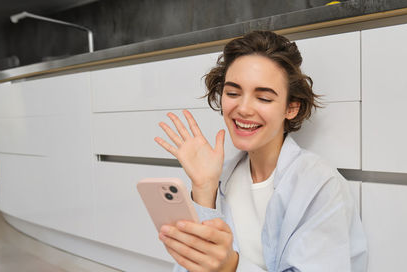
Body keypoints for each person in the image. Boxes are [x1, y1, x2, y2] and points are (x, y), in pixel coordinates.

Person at [154, 30, 368, 272]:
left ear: (291, 108)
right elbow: (191, 266)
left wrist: (231, 267)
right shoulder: (220, 177)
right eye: (233, 93)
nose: (243, 108)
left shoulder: (320, 185)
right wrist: (204, 191)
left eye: (264, 98)